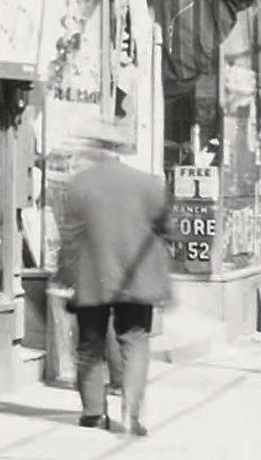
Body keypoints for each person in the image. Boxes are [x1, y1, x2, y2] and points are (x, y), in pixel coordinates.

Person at [48, 144, 177, 435]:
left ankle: (93, 412)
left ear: (95, 155)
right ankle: (132, 409)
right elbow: (166, 227)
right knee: (135, 340)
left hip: (93, 275)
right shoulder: (147, 183)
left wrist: (65, 274)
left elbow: (70, 235)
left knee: (90, 344)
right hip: (138, 276)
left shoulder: (81, 184)